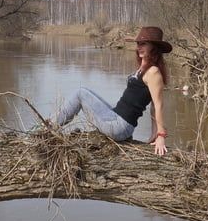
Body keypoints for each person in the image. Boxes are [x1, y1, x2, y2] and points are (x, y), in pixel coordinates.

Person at [51, 26, 172, 156]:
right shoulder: (143, 68)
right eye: (138, 43)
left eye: (144, 44)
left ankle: (49, 128)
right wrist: (153, 132)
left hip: (119, 127)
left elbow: (157, 105)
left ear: (154, 47)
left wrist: (160, 135)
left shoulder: (153, 72)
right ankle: (51, 126)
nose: (139, 47)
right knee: (85, 91)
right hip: (116, 118)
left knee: (81, 93)